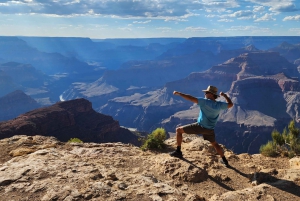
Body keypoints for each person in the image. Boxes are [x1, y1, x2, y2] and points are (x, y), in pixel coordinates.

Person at [169, 85, 233, 166]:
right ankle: (225, 161)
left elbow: (191, 98)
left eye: (206, 92)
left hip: (200, 126)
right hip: (210, 129)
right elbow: (231, 104)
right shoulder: (220, 105)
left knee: (178, 130)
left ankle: (178, 151)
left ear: (211, 94)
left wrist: (179, 93)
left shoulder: (205, 102)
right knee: (215, 144)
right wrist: (225, 96)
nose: (205, 94)